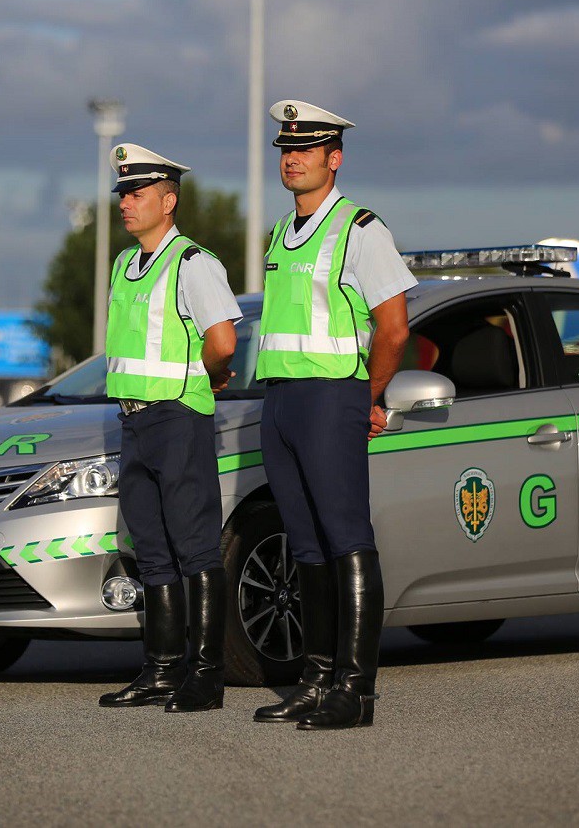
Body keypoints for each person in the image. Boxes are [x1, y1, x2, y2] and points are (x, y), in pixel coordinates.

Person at [253, 101, 415, 730]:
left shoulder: (360, 228)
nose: (292, 158)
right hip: (282, 405)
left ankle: (355, 689)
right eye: (286, 149)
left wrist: (366, 396)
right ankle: (314, 680)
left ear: (333, 157)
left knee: (347, 540)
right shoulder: (278, 232)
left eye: (306, 148)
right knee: (306, 546)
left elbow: (394, 328)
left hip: (331, 399)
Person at [97, 143, 242, 713]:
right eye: (123, 194)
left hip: (177, 418)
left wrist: (205, 379)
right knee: (152, 551)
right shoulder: (123, 264)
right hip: (133, 421)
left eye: (137, 193)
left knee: (196, 549)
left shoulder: (192, 263)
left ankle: (206, 674)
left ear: (169, 199)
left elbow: (223, 339)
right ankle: (160, 670)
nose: (126, 203)